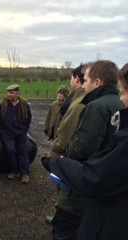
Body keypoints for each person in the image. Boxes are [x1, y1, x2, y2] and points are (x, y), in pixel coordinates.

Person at [42, 63, 128, 239]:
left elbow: (81, 148)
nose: (83, 85)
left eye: (86, 80)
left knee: (66, 229)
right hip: (108, 195)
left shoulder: (95, 106)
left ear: (97, 82)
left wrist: (60, 158)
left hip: (82, 191)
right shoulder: (115, 104)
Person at [45, 64, 86, 224]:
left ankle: (61, 218)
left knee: (66, 190)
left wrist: (54, 153)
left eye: (71, 77)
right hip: (70, 150)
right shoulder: (73, 101)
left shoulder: (78, 102)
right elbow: (52, 118)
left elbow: (64, 135)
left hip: (67, 154)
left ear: (76, 79)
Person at [0, 84, 32, 183]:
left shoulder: (24, 103)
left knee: (23, 151)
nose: (9, 94)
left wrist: (24, 128)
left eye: (11, 93)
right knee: (11, 150)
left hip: (21, 133)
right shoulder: (2, 104)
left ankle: (25, 174)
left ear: (17, 93)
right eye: (8, 92)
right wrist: (4, 127)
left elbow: (29, 117)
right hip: (8, 133)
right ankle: (14, 171)